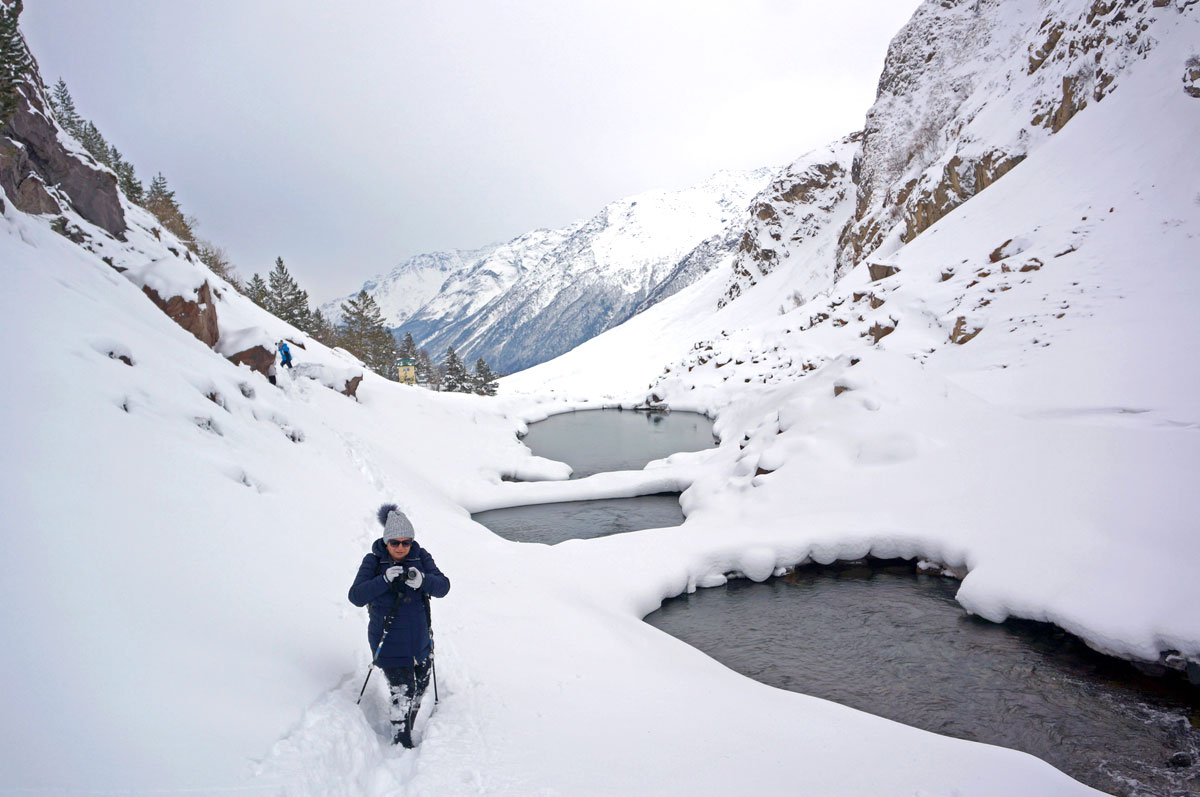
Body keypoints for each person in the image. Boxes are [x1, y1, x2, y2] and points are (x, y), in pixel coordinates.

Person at [348, 504, 450, 748]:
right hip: (389, 642)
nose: (401, 547)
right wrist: (383, 580)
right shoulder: (373, 562)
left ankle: (411, 722)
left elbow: (443, 587)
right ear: (386, 542)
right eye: (395, 542)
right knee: (402, 693)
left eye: (406, 542)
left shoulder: (420, 557)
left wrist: (423, 580)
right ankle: (401, 743)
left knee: (420, 686)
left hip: (420, 641)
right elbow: (356, 596)